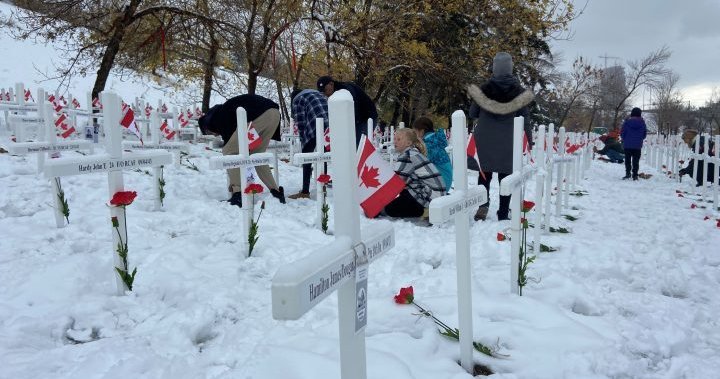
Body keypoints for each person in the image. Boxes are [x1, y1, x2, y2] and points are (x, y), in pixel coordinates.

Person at [467, 52, 534, 221]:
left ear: (494, 68)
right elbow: (525, 119)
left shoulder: (484, 89)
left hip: (486, 139)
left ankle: (483, 207)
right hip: (508, 140)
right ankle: (503, 212)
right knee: (506, 176)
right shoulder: (519, 92)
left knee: (484, 175)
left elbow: (472, 113)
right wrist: (530, 139)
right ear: (510, 68)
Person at [198, 94, 285, 206]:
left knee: (229, 152)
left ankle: (238, 194)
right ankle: (276, 192)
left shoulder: (216, 118)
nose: (214, 135)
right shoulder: (225, 110)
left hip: (260, 115)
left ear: (207, 126)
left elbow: (230, 143)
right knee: (257, 156)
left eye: (210, 133)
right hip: (274, 114)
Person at [383, 128, 446, 218]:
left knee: (390, 209)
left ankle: (424, 210)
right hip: (437, 194)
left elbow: (395, 182)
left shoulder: (407, 156)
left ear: (408, 143)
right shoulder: (412, 153)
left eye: (399, 139)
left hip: (432, 198)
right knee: (404, 192)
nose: (395, 142)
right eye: (395, 139)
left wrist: (379, 201)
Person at [288, 88, 329, 199]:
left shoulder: (297, 100)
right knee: (322, 154)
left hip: (315, 124)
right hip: (328, 124)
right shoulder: (316, 94)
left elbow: (301, 122)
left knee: (308, 154)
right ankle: (323, 185)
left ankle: (305, 191)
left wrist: (303, 141)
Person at [317, 76, 378, 146]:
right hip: (356, 119)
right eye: (322, 92)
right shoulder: (335, 96)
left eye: (325, 90)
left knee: (358, 146)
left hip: (366, 118)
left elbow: (354, 108)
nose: (325, 94)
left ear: (331, 84)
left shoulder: (346, 90)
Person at [411, 117, 453, 190]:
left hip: (441, 183)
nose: (415, 135)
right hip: (445, 179)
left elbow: (419, 164)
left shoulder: (429, 145)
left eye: (415, 132)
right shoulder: (434, 140)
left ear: (421, 132)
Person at [620, 107, 647, 180]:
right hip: (637, 145)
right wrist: (639, 139)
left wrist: (624, 139)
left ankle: (628, 174)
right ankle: (635, 175)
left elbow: (622, 133)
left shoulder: (627, 122)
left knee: (627, 160)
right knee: (636, 161)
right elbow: (644, 134)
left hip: (627, 144)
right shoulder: (642, 123)